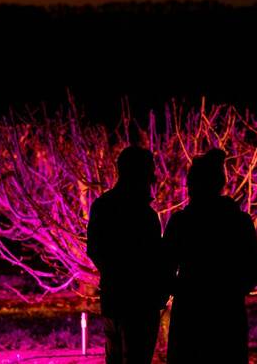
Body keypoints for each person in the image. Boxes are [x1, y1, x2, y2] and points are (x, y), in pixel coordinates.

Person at [164, 148, 257, 363]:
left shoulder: (181, 222)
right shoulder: (239, 222)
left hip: (189, 316)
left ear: (191, 185)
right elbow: (253, 271)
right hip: (228, 315)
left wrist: (185, 288)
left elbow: (164, 270)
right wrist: (229, 289)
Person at [87, 146, 167, 364]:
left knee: (114, 358)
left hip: (113, 299)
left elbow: (94, 249)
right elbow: (154, 259)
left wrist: (113, 276)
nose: (153, 177)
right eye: (150, 171)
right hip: (140, 303)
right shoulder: (144, 214)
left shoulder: (103, 206)